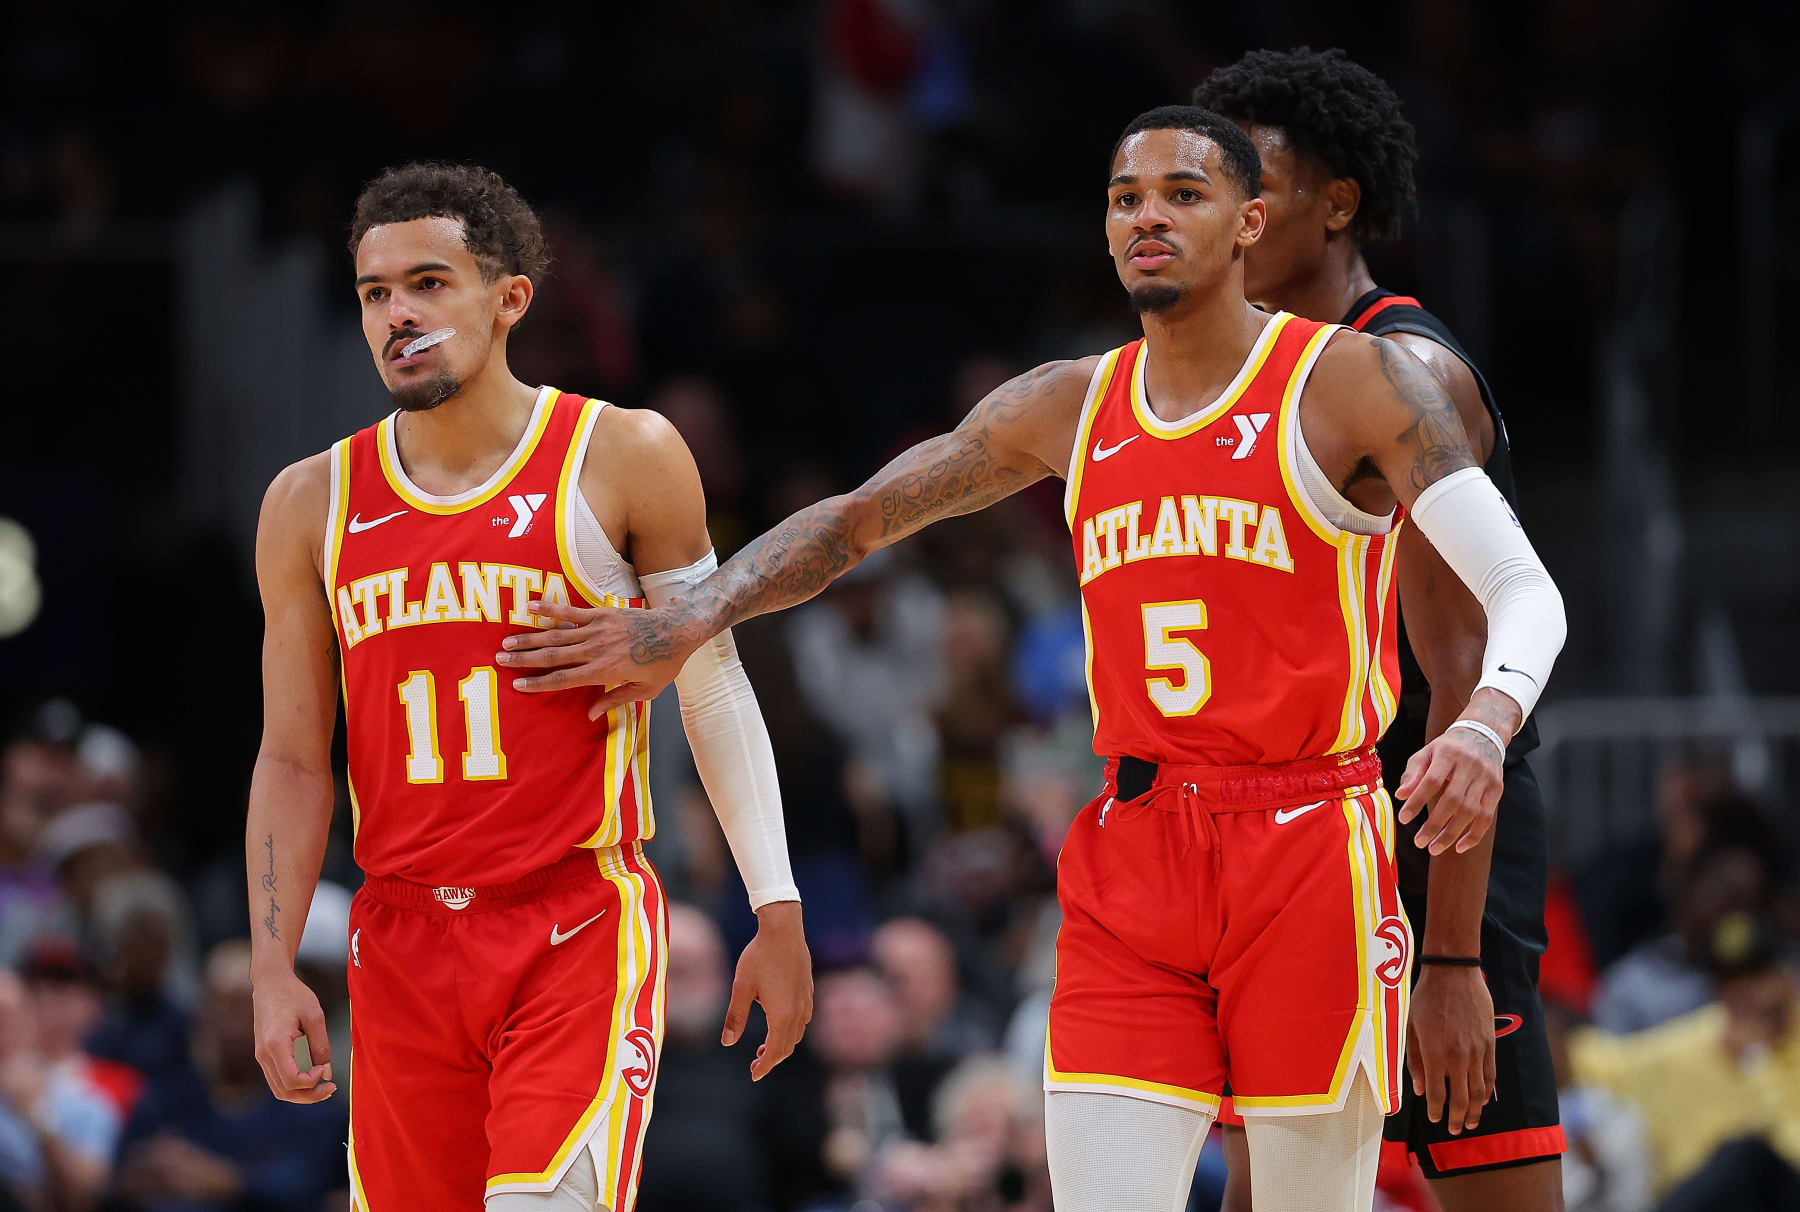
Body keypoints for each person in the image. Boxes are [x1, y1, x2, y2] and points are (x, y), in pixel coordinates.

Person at [496, 104, 1567, 1210]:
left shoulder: (1353, 382)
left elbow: (1524, 589)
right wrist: (689, 616)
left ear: (1251, 222)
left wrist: (1486, 722)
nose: (1147, 216)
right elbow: (856, 521)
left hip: (1308, 845)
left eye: (1182, 195)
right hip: (1137, 852)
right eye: (1125, 198)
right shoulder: (1067, 403)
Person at [245, 163, 813, 1212]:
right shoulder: (308, 503)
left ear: (512, 297)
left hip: (573, 922)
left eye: (429, 283)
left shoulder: (624, 454)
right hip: (402, 938)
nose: (398, 316)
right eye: (376, 294)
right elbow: (289, 755)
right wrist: (272, 964)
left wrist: (775, 909)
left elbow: (714, 682)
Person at [1192, 47, 1568, 1210]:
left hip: (1428, 822)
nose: (1231, 218)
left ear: (1336, 203)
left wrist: (1451, 959)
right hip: (1289, 831)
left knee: (1486, 1182)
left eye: (1256, 186)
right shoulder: (1233, 374)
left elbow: (1456, 672)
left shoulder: (1403, 371)